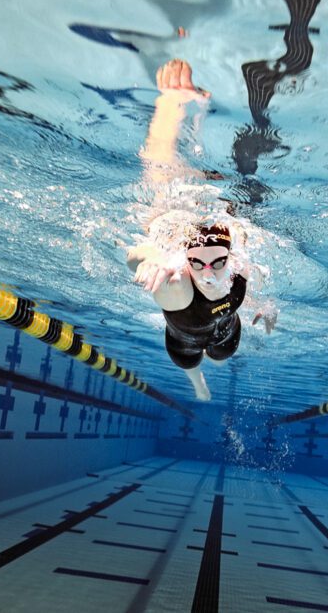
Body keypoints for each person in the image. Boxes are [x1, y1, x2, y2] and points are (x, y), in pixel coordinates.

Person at [126, 60, 274, 401]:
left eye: (218, 264)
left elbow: (159, 160)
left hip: (224, 334)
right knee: (190, 360)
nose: (208, 274)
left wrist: (263, 305)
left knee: (221, 357)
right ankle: (197, 382)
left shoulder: (234, 272)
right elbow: (142, 259)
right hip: (185, 338)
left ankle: (205, 376)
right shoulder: (178, 287)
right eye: (199, 265)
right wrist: (150, 260)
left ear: (230, 260)